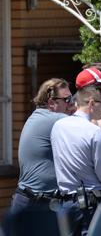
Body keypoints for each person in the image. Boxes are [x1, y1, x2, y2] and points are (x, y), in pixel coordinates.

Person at [51, 85, 101, 234]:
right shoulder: (95, 132)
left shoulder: (58, 126)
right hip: (90, 204)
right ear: (92, 103)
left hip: (66, 203)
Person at [9, 78, 74, 214]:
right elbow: (86, 127)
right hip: (35, 203)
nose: (71, 104)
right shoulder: (51, 119)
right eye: (67, 100)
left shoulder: (42, 117)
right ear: (51, 102)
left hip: (33, 200)